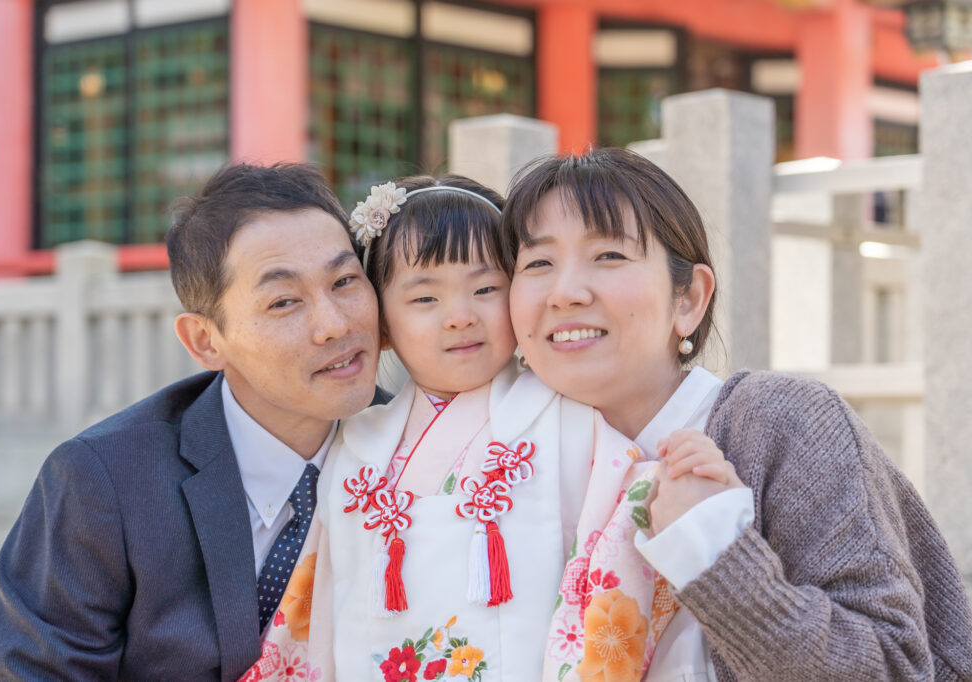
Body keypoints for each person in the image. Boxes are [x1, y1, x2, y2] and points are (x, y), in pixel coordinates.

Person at [502, 147, 972, 680]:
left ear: (688, 298)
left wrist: (714, 548)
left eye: (609, 256)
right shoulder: (505, 454)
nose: (566, 293)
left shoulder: (784, 423)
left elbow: (893, 667)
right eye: (538, 264)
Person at [240, 174, 727, 682]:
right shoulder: (356, 444)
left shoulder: (568, 420)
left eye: (486, 288)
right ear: (381, 323)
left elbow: (616, 572)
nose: (459, 317)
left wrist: (685, 484)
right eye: (424, 299)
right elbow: (316, 618)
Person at [0, 163, 388, 680]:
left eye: (345, 280)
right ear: (205, 341)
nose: (335, 324)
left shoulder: (428, 449)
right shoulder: (104, 481)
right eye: (284, 301)